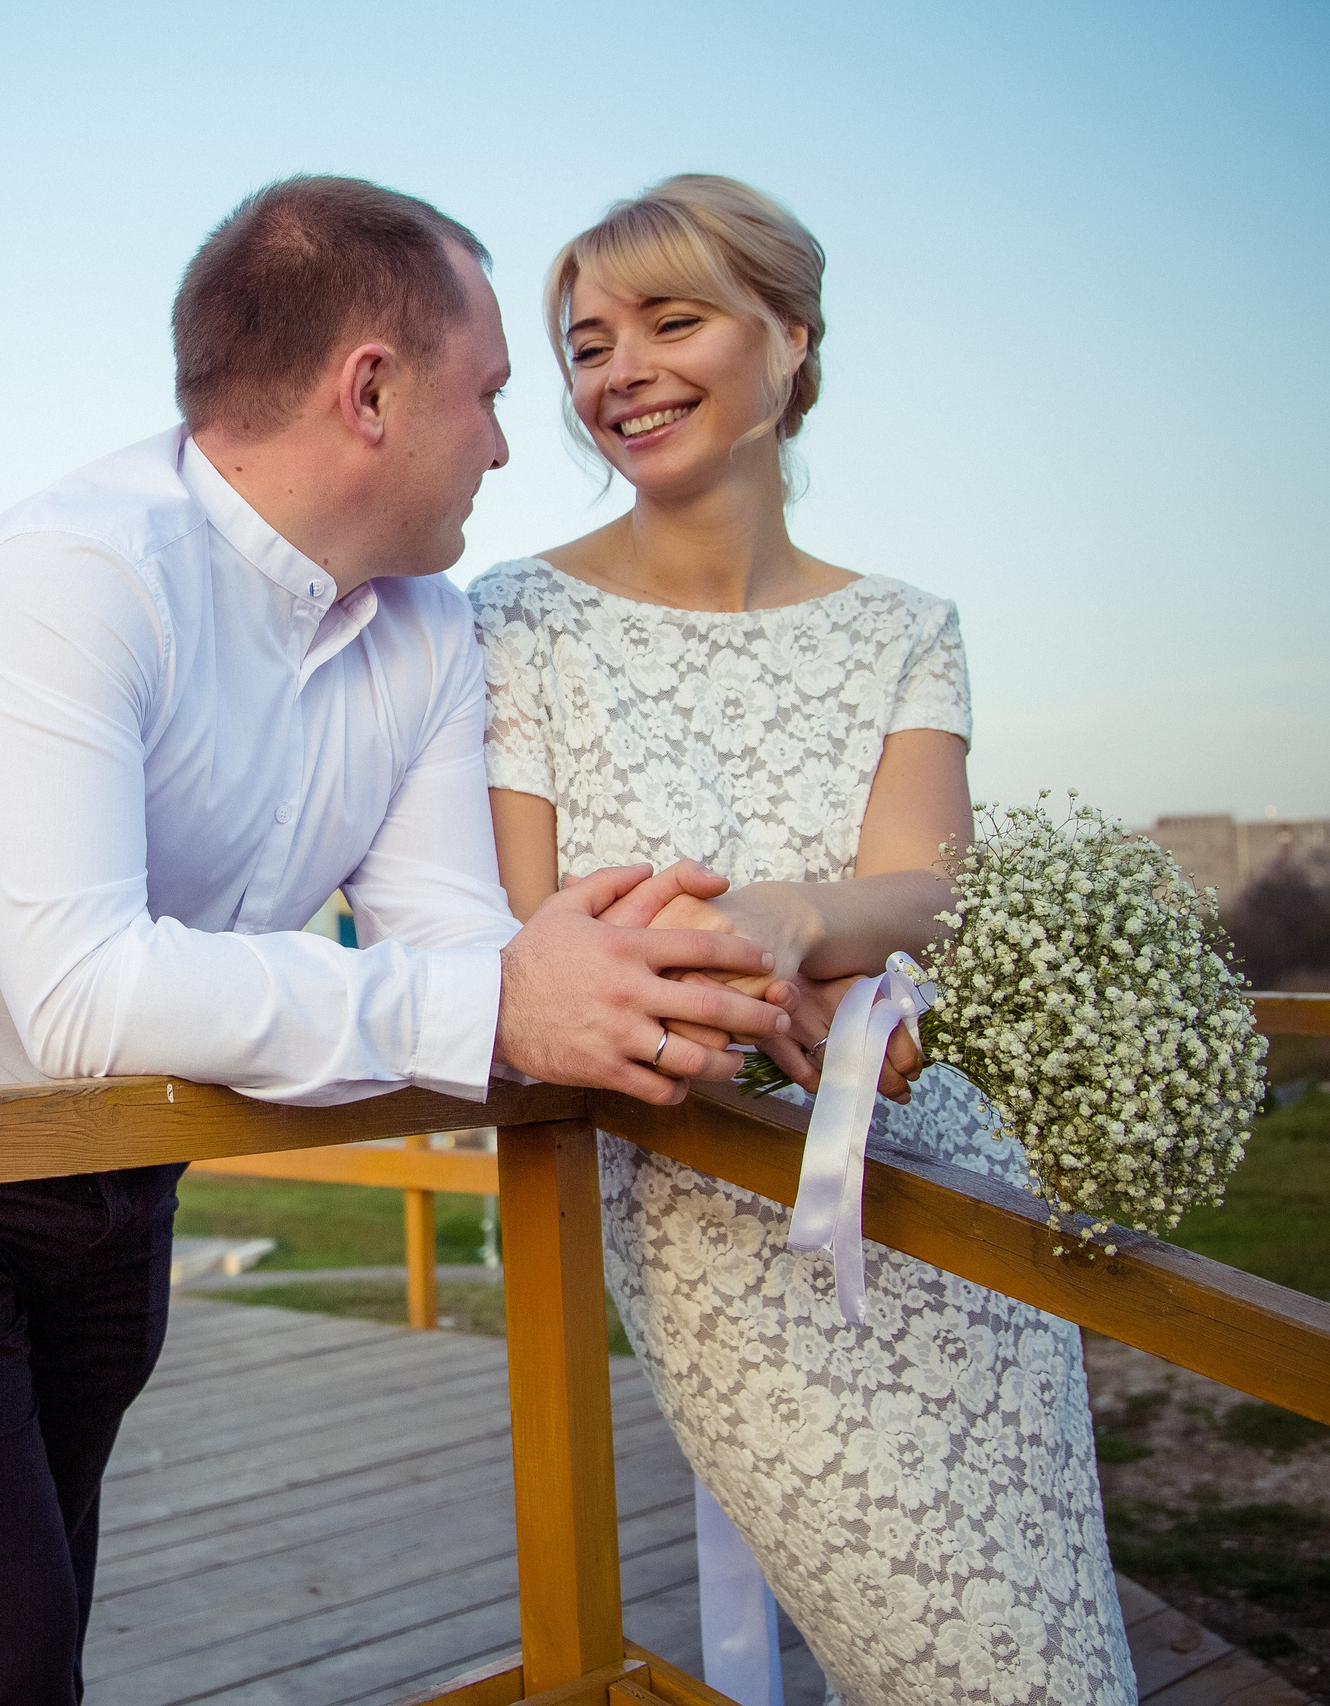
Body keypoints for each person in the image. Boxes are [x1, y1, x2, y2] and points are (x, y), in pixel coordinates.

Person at [0, 175, 795, 1705]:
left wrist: (654, 979)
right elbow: (91, 991)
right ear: (371, 390)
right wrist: (505, 995)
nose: (511, 440)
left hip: (121, 1158)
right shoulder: (64, 581)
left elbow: (453, 941)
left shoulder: (428, 628)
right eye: (490, 392)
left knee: (34, 1611)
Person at [471, 174, 1134, 1704]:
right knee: (943, 1653)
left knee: (1057, 1638)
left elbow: (933, 891)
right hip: (716, 1194)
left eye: (671, 320)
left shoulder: (910, 622)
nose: (618, 368)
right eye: (585, 344)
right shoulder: (514, 622)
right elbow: (534, 930)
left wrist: (788, 914)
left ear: (789, 341)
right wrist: (801, 947)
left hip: (943, 1163)